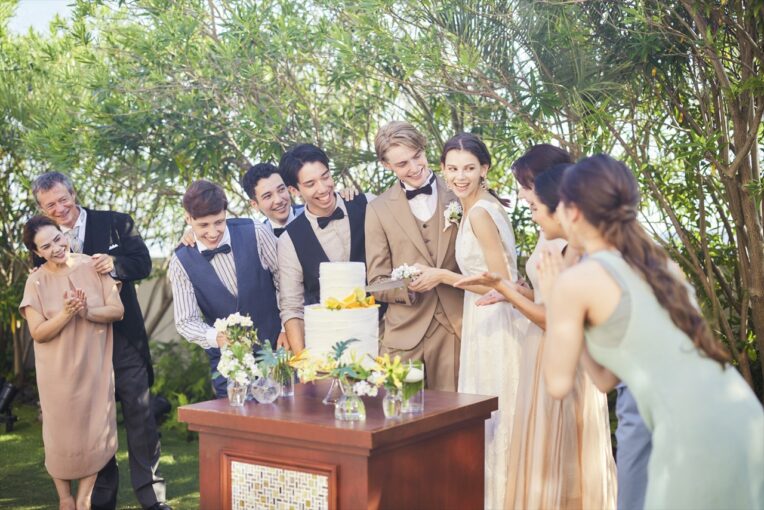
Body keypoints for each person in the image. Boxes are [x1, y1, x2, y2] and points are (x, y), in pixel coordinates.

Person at [541, 154, 764, 509]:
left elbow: (557, 384)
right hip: (743, 415)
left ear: (573, 211)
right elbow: (604, 379)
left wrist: (555, 299)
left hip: (691, 434)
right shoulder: (659, 265)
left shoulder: (577, 281)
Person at [457, 160, 617, 509]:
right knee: (546, 449)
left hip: (563, 354)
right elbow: (549, 300)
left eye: (533, 205)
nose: (528, 210)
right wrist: (516, 292)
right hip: (544, 350)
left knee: (563, 456)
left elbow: (553, 318)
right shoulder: (565, 243)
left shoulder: (576, 251)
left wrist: (505, 289)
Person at [32, 172, 168, 510]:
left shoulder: (116, 223)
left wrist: (115, 263)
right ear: (42, 209)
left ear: (73, 193)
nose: (59, 208)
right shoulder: (43, 240)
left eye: (63, 199)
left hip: (123, 339)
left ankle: (153, 499)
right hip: (79, 349)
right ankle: (101, 501)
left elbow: (143, 263)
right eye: (50, 205)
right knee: (93, 421)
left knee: (140, 415)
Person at [413, 133, 521, 509]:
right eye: (453, 168)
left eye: (469, 168)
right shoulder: (478, 206)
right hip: (484, 317)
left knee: (497, 416)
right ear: (442, 170)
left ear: (484, 169)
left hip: (494, 322)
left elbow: (500, 281)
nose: (460, 177)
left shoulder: (479, 213)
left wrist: (443, 276)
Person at [20, 215, 124, 510]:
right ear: (37, 252)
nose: (56, 247)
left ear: (64, 234)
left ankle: (84, 497)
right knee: (59, 435)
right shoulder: (35, 281)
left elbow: (117, 310)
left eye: (57, 238)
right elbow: (38, 333)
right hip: (56, 373)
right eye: (45, 246)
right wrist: (66, 313)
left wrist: (86, 311)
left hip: (94, 369)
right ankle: (65, 498)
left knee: (94, 430)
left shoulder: (93, 265)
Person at [365, 121, 464, 391]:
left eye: (417, 156)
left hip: (454, 328)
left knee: (455, 412)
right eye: (402, 164)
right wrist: (407, 287)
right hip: (403, 334)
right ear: (387, 165)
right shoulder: (377, 209)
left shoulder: (459, 194)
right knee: (400, 413)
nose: (414, 167)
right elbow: (376, 282)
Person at [168, 180, 282, 398]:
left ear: (225, 213)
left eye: (219, 222)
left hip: (277, 350)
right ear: (188, 219)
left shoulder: (255, 231)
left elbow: (284, 281)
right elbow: (185, 321)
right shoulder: (180, 262)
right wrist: (216, 337)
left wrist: (287, 327)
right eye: (203, 225)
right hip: (228, 365)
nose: (213, 232)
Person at [277, 143, 373, 352]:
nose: (323, 188)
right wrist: (304, 361)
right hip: (332, 346)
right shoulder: (289, 240)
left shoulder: (368, 204)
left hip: (386, 332)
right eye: (310, 184)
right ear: (294, 190)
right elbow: (292, 307)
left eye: (326, 177)